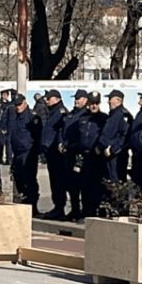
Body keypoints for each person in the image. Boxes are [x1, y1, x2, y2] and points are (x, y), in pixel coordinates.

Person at [7, 93, 42, 215]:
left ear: (25, 103)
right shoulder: (15, 116)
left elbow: (37, 137)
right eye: (16, 105)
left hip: (28, 153)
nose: (18, 107)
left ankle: (33, 206)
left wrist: (36, 153)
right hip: (17, 153)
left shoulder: (32, 117)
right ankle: (23, 204)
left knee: (30, 180)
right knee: (19, 180)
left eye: (20, 104)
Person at [59, 89, 89, 221]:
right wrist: (61, 143)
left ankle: (84, 211)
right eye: (75, 98)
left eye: (79, 98)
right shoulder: (71, 114)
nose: (76, 101)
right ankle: (75, 210)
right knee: (71, 184)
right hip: (68, 153)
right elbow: (62, 130)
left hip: (79, 153)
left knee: (81, 183)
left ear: (85, 100)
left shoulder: (86, 115)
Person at [78, 91, 108, 218]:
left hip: (97, 157)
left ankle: (97, 211)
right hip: (84, 156)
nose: (94, 106)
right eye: (92, 103)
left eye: (96, 103)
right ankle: (86, 211)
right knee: (84, 186)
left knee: (96, 186)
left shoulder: (104, 118)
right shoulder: (82, 118)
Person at [39, 89, 68, 220]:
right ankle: (57, 207)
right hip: (51, 153)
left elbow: (60, 131)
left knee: (59, 182)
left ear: (56, 99)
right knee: (54, 182)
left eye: (49, 98)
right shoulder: (53, 112)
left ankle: (59, 208)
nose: (46, 100)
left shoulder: (60, 112)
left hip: (57, 154)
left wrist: (57, 145)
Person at [0, 88, 14, 165]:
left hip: (9, 126)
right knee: (1, 143)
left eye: (6, 95)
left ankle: (9, 159)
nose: (5, 96)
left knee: (8, 143)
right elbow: (1, 116)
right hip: (2, 126)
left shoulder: (9, 104)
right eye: (4, 95)